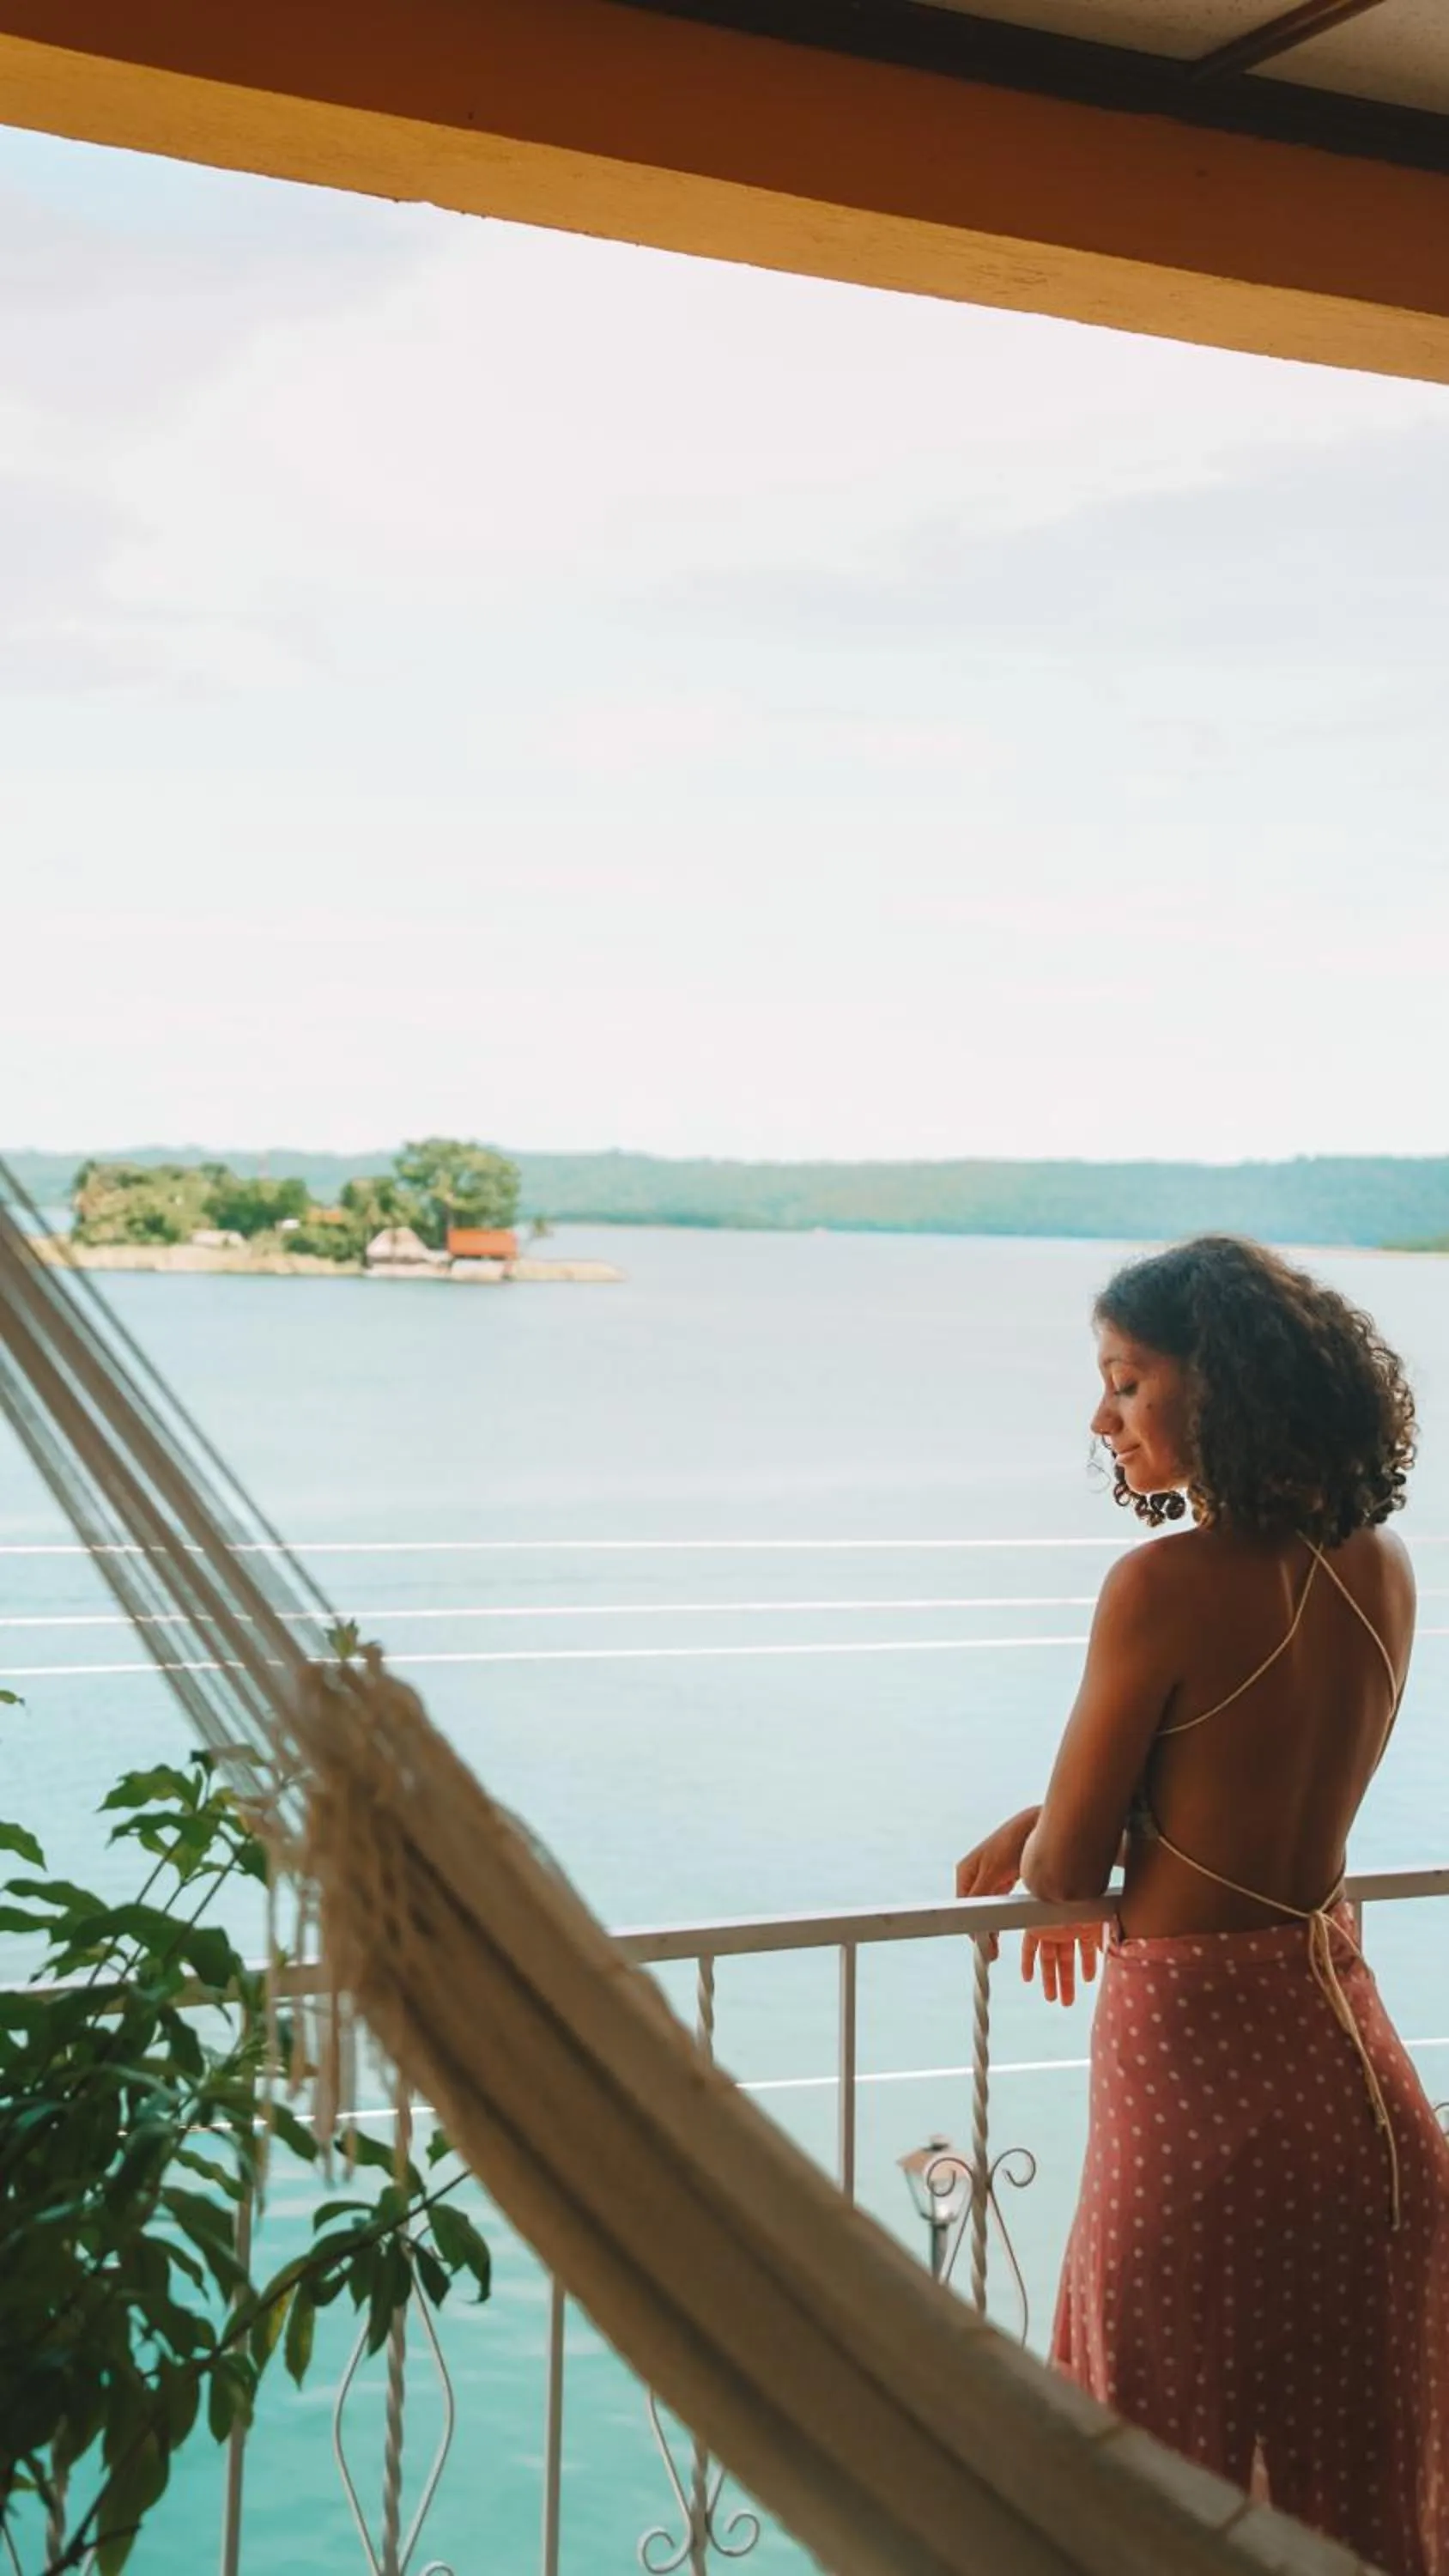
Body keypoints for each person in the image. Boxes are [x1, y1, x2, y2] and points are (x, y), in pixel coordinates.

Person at [955, 1236, 1449, 2576]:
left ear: (1215, 1390)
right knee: (1353, 2508)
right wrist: (1075, 1815)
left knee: (1147, 2485)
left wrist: (1056, 1828)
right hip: (1367, 2105)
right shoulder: (1383, 1565)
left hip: (1204, 2114)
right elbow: (1243, 1777)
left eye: (1125, 1382)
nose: (1101, 1417)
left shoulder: (1161, 1587)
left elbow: (1063, 1879)